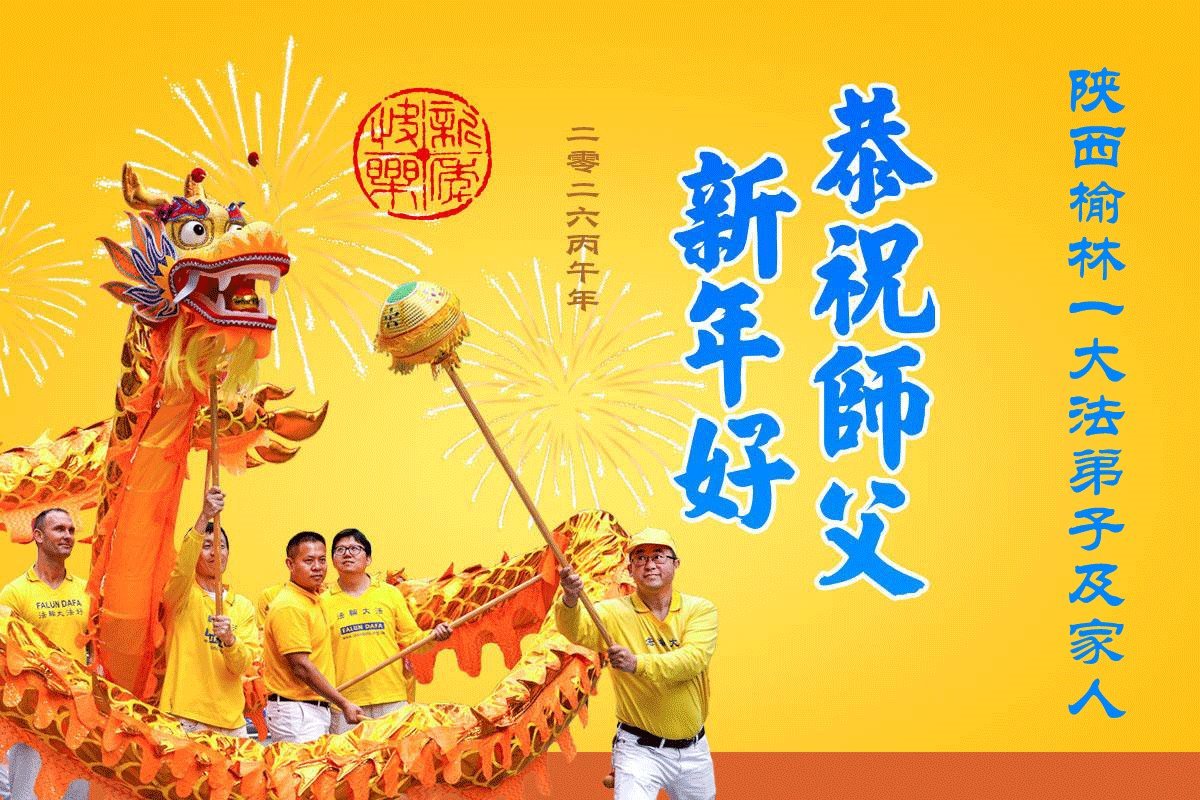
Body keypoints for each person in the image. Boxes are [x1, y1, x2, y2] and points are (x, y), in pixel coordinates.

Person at [557, 528, 718, 800]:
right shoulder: (612, 612)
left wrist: (636, 664)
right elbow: (575, 630)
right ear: (630, 570)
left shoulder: (699, 610)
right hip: (639, 749)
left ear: (676, 564)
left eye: (659, 556)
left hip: (694, 749)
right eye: (640, 558)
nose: (650, 564)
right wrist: (570, 599)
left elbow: (692, 661)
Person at [0, 509, 90, 800]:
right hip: (32, 717)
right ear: (38, 536)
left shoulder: (86, 592)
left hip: (77, 716)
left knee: (76, 794)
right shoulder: (14, 593)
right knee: (26, 795)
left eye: (71, 530)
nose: (68, 536)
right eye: (59, 529)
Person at [324, 528, 451, 734]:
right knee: (349, 756)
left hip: (391, 697)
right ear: (333, 560)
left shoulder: (389, 594)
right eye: (340, 550)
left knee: (398, 754)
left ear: (368, 559)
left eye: (355, 548)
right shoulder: (323, 601)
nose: (347, 554)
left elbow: (412, 639)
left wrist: (433, 636)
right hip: (345, 703)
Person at [158, 487, 260, 736]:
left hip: (232, 722)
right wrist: (204, 516)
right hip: (187, 717)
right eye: (206, 546)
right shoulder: (182, 596)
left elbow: (243, 665)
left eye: (221, 546)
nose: (215, 552)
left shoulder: (242, 606)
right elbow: (182, 568)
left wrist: (230, 640)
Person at [261, 531, 364, 743]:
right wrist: (343, 703)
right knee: (306, 766)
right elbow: (301, 667)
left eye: (322, 560)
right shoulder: (290, 605)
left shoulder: (314, 599)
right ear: (290, 564)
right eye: (309, 561)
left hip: (310, 708)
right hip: (296, 712)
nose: (317, 567)